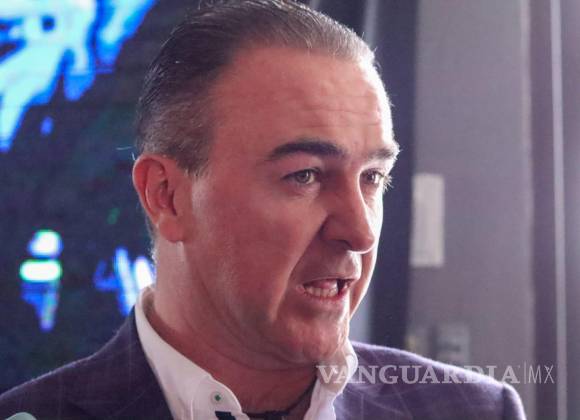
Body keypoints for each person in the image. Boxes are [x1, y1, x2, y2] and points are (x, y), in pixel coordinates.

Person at [0, 1, 526, 419]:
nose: (361, 232)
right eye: (305, 176)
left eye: (372, 178)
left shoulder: (473, 410)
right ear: (166, 196)